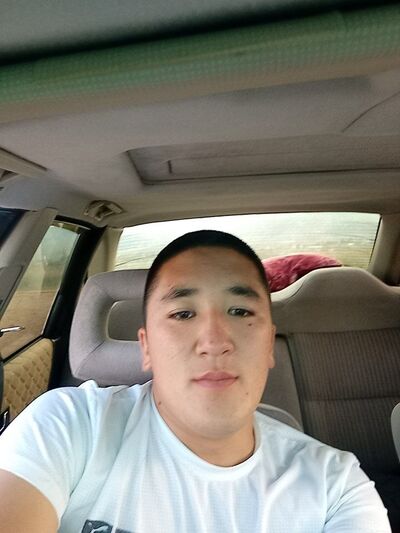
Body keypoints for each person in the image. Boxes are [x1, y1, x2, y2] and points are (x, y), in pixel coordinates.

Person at [0, 230, 391, 533]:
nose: (215, 341)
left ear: (269, 343)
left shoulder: (335, 485)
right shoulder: (68, 425)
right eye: (183, 314)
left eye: (240, 311)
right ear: (146, 347)